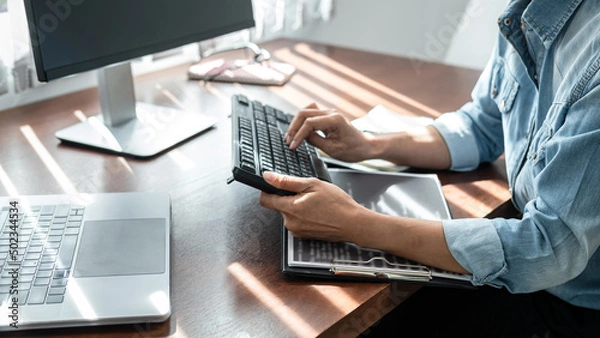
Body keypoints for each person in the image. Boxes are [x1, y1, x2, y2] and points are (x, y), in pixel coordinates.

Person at [258, 0, 600, 336]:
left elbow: (548, 247)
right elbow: (481, 126)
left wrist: (355, 225)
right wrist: (369, 145)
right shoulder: (525, 11)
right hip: (531, 282)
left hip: (569, 310)